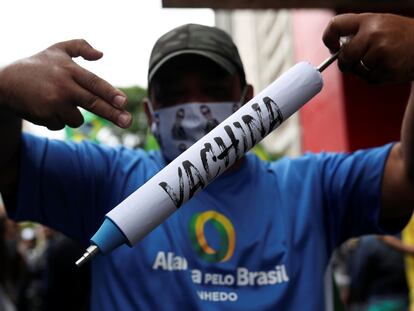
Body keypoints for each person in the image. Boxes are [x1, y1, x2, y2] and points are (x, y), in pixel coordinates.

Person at [1, 13, 414, 310]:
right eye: (174, 94)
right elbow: (9, 161)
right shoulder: (107, 179)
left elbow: (406, 172)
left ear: (250, 101)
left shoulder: (315, 185)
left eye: (213, 88)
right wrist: (5, 92)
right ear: (150, 109)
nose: (194, 106)